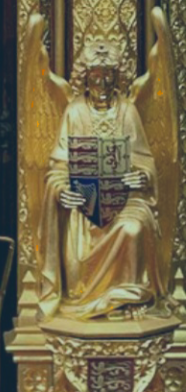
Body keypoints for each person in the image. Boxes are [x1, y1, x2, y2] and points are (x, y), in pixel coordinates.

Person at [37, 39, 167, 319]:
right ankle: (86, 297)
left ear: (117, 77)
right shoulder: (75, 112)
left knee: (133, 229)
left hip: (126, 201)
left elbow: (145, 162)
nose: (102, 83)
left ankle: (127, 300)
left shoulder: (127, 112)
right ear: (85, 78)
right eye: (96, 75)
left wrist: (141, 177)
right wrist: (61, 190)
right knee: (78, 248)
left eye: (108, 75)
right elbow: (58, 167)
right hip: (85, 206)